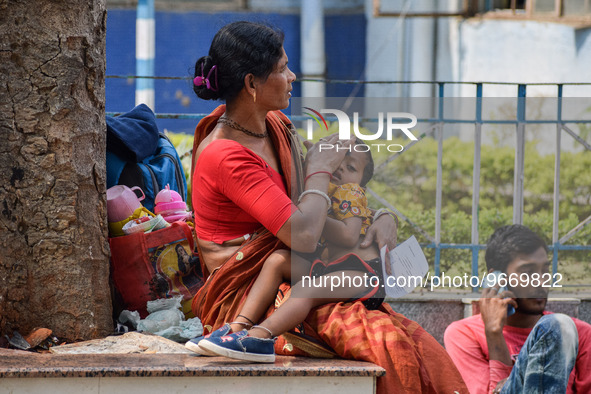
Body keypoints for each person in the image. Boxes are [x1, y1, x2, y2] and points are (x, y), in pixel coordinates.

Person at [186, 21, 468, 393]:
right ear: (252, 84)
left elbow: (329, 201)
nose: (293, 76)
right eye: (282, 69)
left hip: (302, 272)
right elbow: (303, 232)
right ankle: (244, 334)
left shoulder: (275, 125)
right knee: (382, 341)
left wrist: (380, 216)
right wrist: (319, 168)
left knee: (420, 346)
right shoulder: (225, 154)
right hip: (251, 295)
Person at [191, 141, 385, 362]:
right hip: (328, 267)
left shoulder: (351, 193)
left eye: (351, 168)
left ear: (362, 183)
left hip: (360, 272)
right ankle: (238, 325)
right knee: (277, 260)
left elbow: (348, 235)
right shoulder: (321, 189)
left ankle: (260, 337)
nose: (341, 168)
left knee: (306, 289)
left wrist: (313, 219)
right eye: (339, 160)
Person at [444, 224, 591, 394]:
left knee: (558, 327)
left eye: (545, 271)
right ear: (496, 278)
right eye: (528, 273)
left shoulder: (578, 333)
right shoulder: (464, 334)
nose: (541, 281)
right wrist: (493, 335)